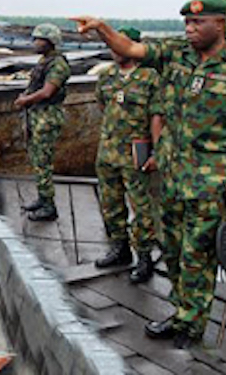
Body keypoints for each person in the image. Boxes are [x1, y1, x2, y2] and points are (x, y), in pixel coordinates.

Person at [73, 0, 226, 349]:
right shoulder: (176, 55)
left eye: (198, 22)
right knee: (172, 249)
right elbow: (129, 48)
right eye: (187, 22)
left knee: (197, 253)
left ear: (220, 23)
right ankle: (181, 311)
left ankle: (191, 325)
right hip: (173, 176)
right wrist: (101, 28)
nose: (190, 29)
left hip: (212, 180)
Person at [94, 27, 163, 284]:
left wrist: (156, 150)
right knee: (110, 202)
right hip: (108, 150)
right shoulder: (106, 76)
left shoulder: (150, 78)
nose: (115, 49)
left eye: (120, 44)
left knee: (141, 206)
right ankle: (119, 248)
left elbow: (157, 116)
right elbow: (103, 105)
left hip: (137, 151)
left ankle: (144, 256)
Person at [14, 24, 71, 221]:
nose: (35, 43)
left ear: (50, 42)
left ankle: (49, 207)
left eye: (40, 39)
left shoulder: (58, 65)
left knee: (43, 162)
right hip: (37, 116)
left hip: (47, 117)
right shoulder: (45, 61)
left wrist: (25, 100)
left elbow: (47, 92)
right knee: (37, 160)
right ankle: (43, 198)